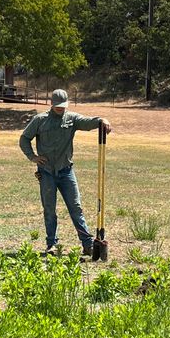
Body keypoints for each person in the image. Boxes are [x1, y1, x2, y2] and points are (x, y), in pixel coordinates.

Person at [18, 89, 113, 255]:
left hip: (66, 171)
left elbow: (88, 122)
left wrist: (101, 120)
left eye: (63, 106)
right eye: (57, 106)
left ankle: (87, 243)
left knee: (76, 207)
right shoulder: (40, 120)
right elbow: (24, 138)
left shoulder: (72, 119)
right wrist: (32, 157)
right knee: (49, 208)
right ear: (51, 104)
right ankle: (51, 244)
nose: (60, 109)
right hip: (46, 172)